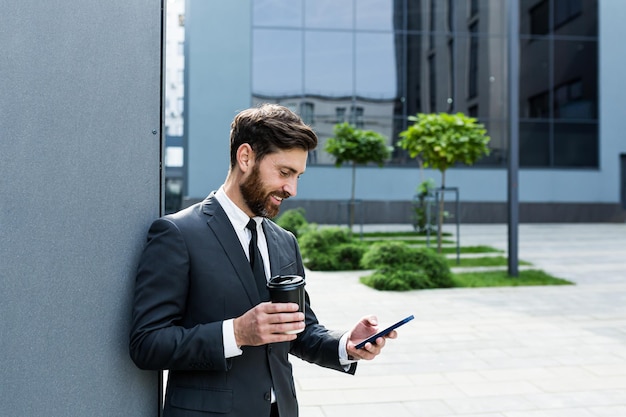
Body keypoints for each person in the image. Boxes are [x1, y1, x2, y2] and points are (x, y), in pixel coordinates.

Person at [129, 103, 397, 417]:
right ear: (246, 157)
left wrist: (346, 344)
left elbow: (300, 330)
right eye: (284, 172)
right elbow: (147, 343)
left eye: (298, 176)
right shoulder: (177, 234)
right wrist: (236, 333)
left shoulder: (285, 242)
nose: (292, 189)